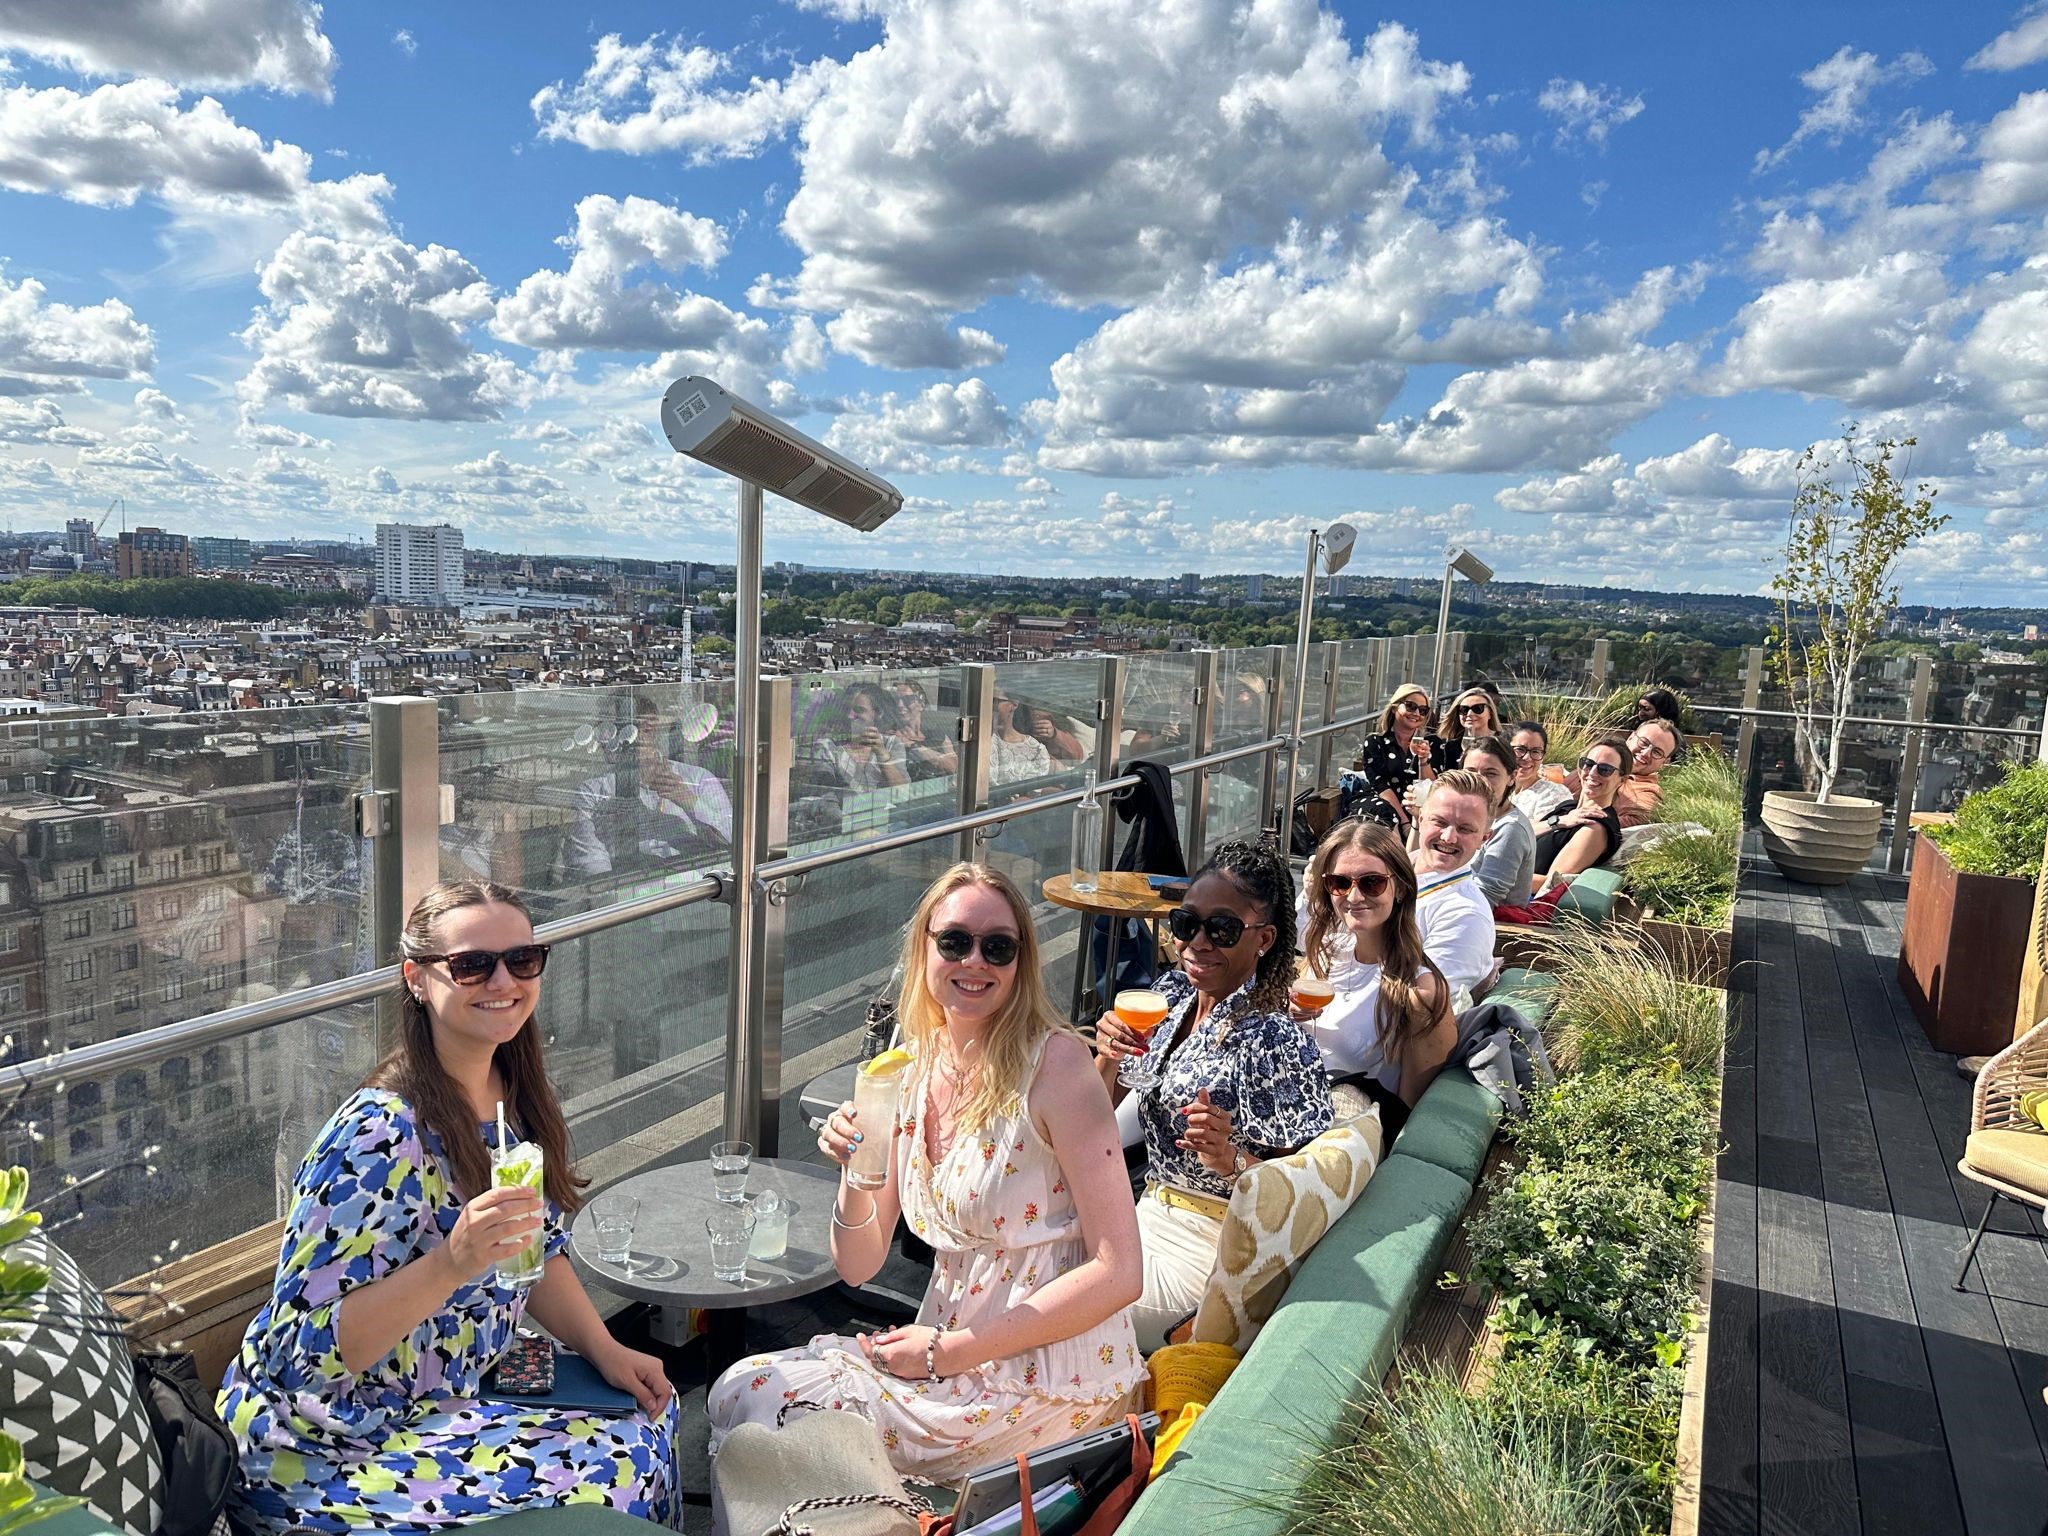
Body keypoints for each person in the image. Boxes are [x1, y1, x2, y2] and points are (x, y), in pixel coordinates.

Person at [218, 881, 677, 1534]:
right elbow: (304, 1354)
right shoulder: (379, 1134)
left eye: (522, 959)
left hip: (443, 1396)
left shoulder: (506, 1091)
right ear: (416, 979)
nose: (503, 979)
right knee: (615, 1472)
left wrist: (605, 1348)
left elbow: (532, 1248)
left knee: (651, 1416)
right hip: (329, 1440)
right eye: (471, 964)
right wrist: (452, 1262)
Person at [709, 865, 1143, 1481]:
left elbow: (1120, 1271)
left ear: (1021, 961)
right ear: (924, 948)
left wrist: (949, 1352)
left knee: (770, 1408)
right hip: (943, 1356)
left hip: (1050, 1377)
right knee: (737, 1390)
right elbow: (858, 1265)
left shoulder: (1058, 1067)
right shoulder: (907, 1070)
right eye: (955, 941)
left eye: (998, 947)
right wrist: (854, 1169)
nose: (976, 961)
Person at [1093, 841, 1331, 1351]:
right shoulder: (1173, 996)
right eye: (1185, 924)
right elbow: (1095, 1113)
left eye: (1220, 929)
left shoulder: (1275, 1038)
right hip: (1148, 1209)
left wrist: (1230, 1159)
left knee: (1071, 1305)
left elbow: (1300, 1194)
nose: (1196, 943)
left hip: (1215, 1241)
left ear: (1264, 939)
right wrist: (1108, 1053)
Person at [1295, 820, 1457, 1139]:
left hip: (1339, 1139)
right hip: (1289, 1105)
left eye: (1372, 883)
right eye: (1339, 882)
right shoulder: (1327, 953)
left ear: (1400, 889)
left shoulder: (1420, 992)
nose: (1354, 896)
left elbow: (1407, 1115)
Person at [560, 698, 733, 878]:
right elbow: (593, 867)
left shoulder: (698, 779)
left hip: (695, 892)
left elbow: (735, 842)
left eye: (644, 731)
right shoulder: (594, 792)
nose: (633, 741)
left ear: (651, 732)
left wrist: (689, 801)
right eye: (610, 731)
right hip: (634, 896)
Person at [1405, 771, 1500, 999]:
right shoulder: (1385, 872)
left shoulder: (1466, 916)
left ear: (1484, 839)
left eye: (1465, 829)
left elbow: (1421, 1004)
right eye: (1440, 822)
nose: (1448, 837)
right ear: (1421, 819)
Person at [1353, 684, 1455, 834]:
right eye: (1410, 706)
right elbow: (1381, 787)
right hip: (1380, 803)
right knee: (1385, 813)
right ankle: (1399, 856)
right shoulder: (1376, 742)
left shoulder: (1433, 743)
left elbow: (1433, 787)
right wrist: (1405, 822)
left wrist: (1423, 761)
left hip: (1417, 805)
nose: (1416, 713)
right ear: (1395, 708)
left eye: (1423, 710)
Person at [1534, 735, 1632, 887]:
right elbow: (1522, 831)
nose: (1592, 773)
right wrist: (1558, 822)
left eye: (1605, 769)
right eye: (1588, 763)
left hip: (1515, 896)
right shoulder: (1569, 808)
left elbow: (1551, 883)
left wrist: (1495, 877)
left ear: (1622, 780)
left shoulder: (1596, 827)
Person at [1460, 735, 1535, 908]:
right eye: (1470, 772)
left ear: (1512, 777)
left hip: (1494, 925)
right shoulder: (1469, 816)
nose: (1478, 780)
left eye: (1490, 773)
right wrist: (1419, 820)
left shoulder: (1510, 829)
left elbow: (1485, 896)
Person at [1563, 718, 1675, 828]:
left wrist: (1579, 821)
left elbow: (1635, 823)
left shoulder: (1647, 791)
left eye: (1657, 752)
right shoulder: (1593, 764)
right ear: (1630, 738)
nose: (1645, 753)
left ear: (1664, 762)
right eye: (1643, 743)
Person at [891, 681, 959, 783]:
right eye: (896, 700)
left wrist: (914, 746)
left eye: (907, 699)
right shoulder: (891, 735)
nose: (900, 705)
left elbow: (953, 767)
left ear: (921, 704)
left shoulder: (938, 736)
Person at [1508, 720, 1575, 824]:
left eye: (1535, 751)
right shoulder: (1497, 787)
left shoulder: (1553, 794)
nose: (1527, 758)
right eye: (1520, 749)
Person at [989, 688, 1054, 786]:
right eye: (986, 700)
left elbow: (1031, 795)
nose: (990, 706)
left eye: (995, 701)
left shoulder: (1036, 750)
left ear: (1014, 704)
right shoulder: (979, 739)